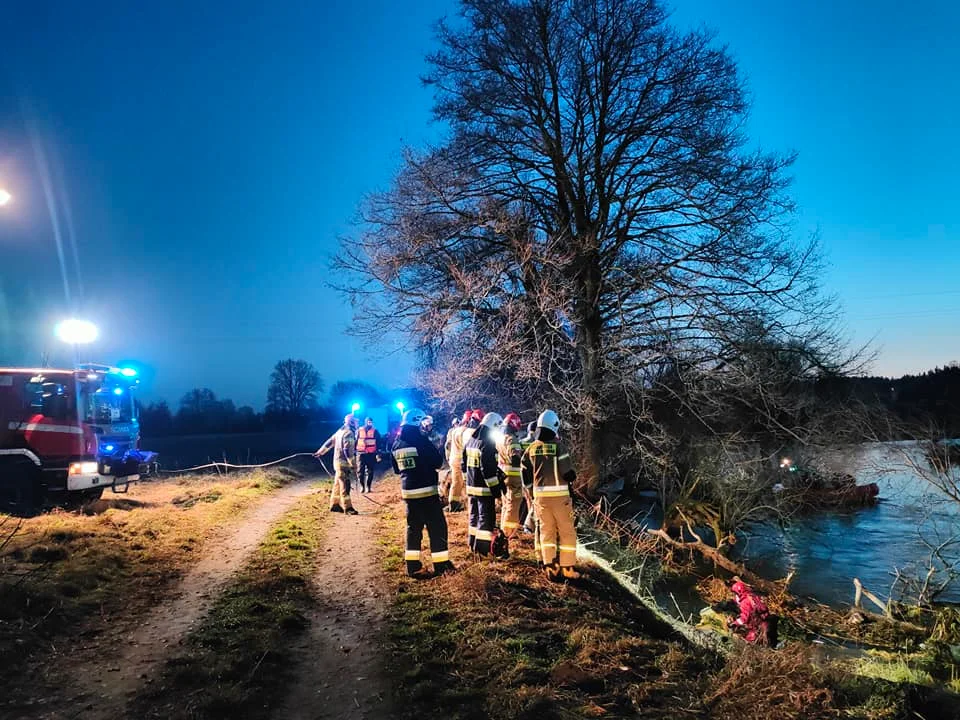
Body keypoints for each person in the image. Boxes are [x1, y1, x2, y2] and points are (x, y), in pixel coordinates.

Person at [391, 408, 454, 577]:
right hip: (427, 493)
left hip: (409, 495)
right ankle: (441, 566)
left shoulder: (397, 443)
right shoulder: (421, 441)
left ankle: (413, 567)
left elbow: (397, 470)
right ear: (416, 423)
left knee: (413, 529)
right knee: (437, 528)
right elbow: (439, 463)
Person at [521, 410, 580, 580]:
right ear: (554, 426)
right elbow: (567, 472)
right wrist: (572, 477)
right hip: (560, 499)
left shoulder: (531, 449)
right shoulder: (559, 447)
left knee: (546, 532)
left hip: (540, 499)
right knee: (567, 531)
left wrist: (532, 490)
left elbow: (525, 473)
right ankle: (567, 569)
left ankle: (550, 568)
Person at [464, 412, 508, 558]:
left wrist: (468, 480)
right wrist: (495, 489)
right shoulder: (487, 444)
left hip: (471, 487)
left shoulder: (471, 440)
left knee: (474, 517)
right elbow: (487, 470)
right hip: (484, 489)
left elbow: (464, 465)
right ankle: (482, 551)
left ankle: (472, 544)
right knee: (485, 519)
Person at [315, 413, 360, 515]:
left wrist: (320, 452)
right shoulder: (349, 433)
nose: (358, 424)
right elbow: (347, 451)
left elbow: (329, 442)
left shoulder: (339, 431)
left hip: (337, 463)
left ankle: (335, 505)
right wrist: (353, 464)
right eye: (357, 422)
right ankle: (348, 508)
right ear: (352, 423)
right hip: (344, 464)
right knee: (345, 485)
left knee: (337, 485)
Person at [726, 578, 778, 646]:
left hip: (761, 623)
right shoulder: (752, 594)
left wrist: (734, 623)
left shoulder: (744, 602)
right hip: (765, 619)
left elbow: (744, 618)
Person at [497, 412, 524, 537]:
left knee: (506, 504)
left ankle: (503, 529)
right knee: (513, 505)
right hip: (513, 478)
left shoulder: (500, 438)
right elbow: (515, 459)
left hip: (503, 476)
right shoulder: (511, 439)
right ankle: (509, 533)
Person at [447, 410, 479, 512]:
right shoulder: (467, 432)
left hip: (453, 459)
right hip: (463, 460)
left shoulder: (455, 430)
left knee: (456, 482)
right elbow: (469, 446)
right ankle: (470, 506)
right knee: (467, 482)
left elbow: (448, 445)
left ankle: (454, 504)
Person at [356, 417, 381, 494]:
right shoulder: (359, 430)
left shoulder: (375, 431)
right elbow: (355, 441)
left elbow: (378, 443)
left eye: (371, 422)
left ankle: (368, 487)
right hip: (361, 454)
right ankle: (362, 486)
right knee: (360, 471)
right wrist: (354, 452)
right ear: (365, 422)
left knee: (370, 471)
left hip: (371, 454)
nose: (370, 423)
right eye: (368, 422)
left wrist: (378, 454)